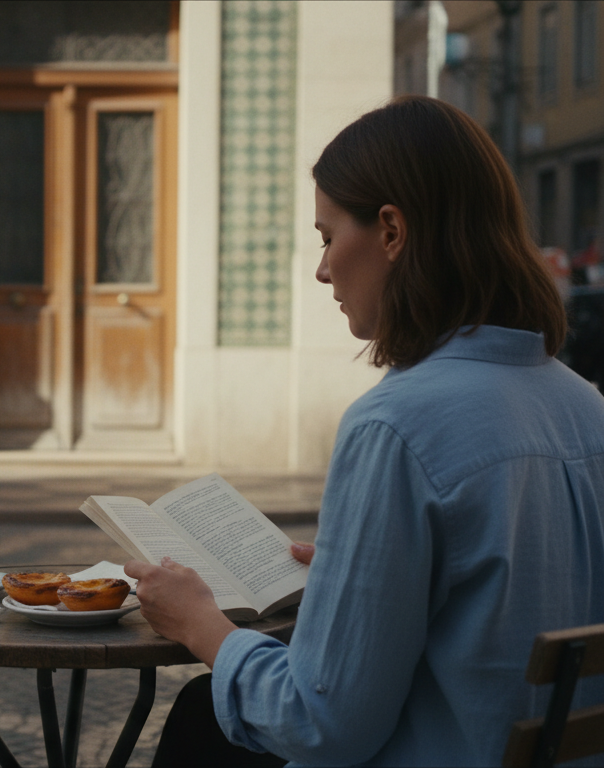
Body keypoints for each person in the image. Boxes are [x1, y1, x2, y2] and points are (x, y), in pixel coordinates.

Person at [127, 96, 604, 766]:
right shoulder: (587, 408)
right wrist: (370, 576)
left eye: (327, 237)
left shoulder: (396, 425)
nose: (323, 269)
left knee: (201, 720)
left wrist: (203, 628)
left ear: (390, 231)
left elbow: (323, 723)